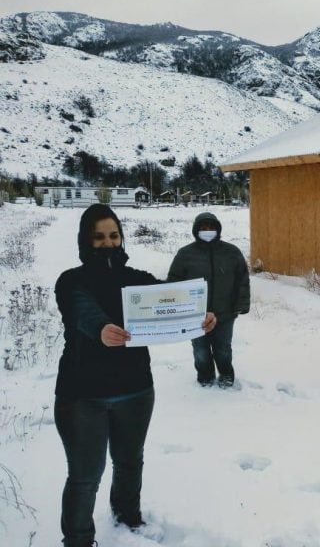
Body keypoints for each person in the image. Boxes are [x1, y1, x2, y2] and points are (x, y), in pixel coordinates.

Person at [54, 204, 216, 547]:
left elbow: (171, 302)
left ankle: (127, 520)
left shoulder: (137, 280)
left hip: (135, 390)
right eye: (98, 237)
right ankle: (78, 540)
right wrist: (101, 328)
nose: (108, 243)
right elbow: (81, 309)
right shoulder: (71, 281)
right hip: (83, 396)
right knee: (85, 477)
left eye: (113, 235)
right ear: (85, 240)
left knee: (129, 463)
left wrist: (199, 315)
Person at [168, 212, 250, 388]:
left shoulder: (231, 252)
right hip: (195, 316)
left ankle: (226, 375)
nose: (207, 231)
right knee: (200, 351)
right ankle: (205, 376)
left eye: (211, 227)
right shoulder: (185, 254)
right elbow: (174, 282)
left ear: (218, 229)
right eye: (203, 228)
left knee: (223, 350)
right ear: (196, 230)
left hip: (225, 314)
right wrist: (176, 307)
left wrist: (241, 304)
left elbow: (242, 279)